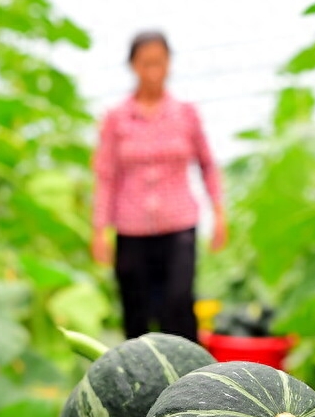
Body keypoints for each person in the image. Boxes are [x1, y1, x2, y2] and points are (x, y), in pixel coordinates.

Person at [90, 30, 227, 341]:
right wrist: (99, 231)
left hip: (178, 227)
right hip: (131, 229)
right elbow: (106, 176)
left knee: (178, 305)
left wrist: (218, 213)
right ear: (133, 66)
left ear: (169, 65)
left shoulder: (186, 114)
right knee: (135, 312)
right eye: (145, 63)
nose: (152, 70)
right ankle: (142, 386)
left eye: (159, 62)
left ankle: (189, 384)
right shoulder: (116, 119)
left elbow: (207, 165)